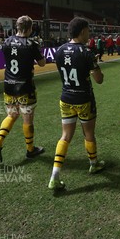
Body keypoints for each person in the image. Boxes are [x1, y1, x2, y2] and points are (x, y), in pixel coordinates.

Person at [48, 17, 105, 190]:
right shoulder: (86, 52)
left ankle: (54, 176)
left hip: (66, 98)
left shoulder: (59, 50)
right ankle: (93, 163)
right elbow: (99, 79)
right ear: (81, 32)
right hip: (83, 99)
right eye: (88, 30)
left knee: (65, 136)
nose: (89, 34)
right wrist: (93, 65)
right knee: (88, 134)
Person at [0, 16, 46, 163]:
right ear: (30, 28)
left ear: (16, 27)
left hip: (9, 84)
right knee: (27, 120)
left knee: (11, 115)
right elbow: (42, 63)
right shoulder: (31, 44)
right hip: (25, 86)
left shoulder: (7, 41)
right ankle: (30, 150)